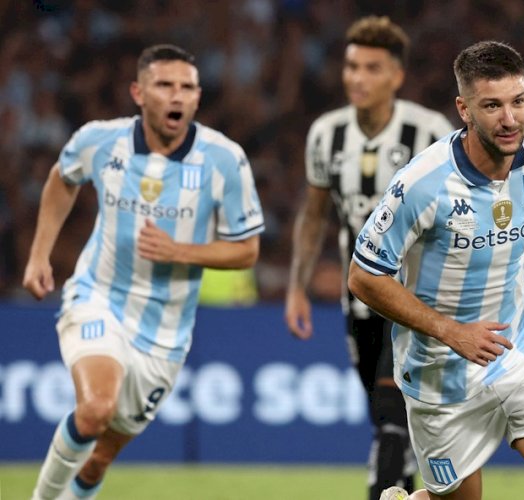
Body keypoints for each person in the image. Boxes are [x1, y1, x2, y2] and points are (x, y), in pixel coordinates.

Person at [349, 40, 524, 500]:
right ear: (464, 109)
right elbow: (363, 276)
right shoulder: (422, 184)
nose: (510, 119)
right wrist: (451, 332)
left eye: (518, 101)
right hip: (440, 371)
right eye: (492, 105)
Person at [22, 44, 265, 499]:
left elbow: (247, 251)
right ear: (138, 93)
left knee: (98, 459)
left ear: (198, 97)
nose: (177, 96)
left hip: (165, 332)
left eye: (187, 87)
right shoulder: (100, 140)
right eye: (164, 85)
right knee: (95, 409)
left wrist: (179, 251)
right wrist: (40, 255)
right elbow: (62, 178)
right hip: (99, 297)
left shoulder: (224, 159)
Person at [284, 16, 454, 500]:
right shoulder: (326, 135)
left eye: (371, 68)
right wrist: (297, 287)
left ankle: (383, 490)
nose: (357, 78)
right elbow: (315, 215)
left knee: (391, 410)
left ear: (396, 75)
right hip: (359, 298)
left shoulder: (430, 132)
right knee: (387, 419)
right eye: (352, 66)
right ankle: (405, 486)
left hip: (419, 298)